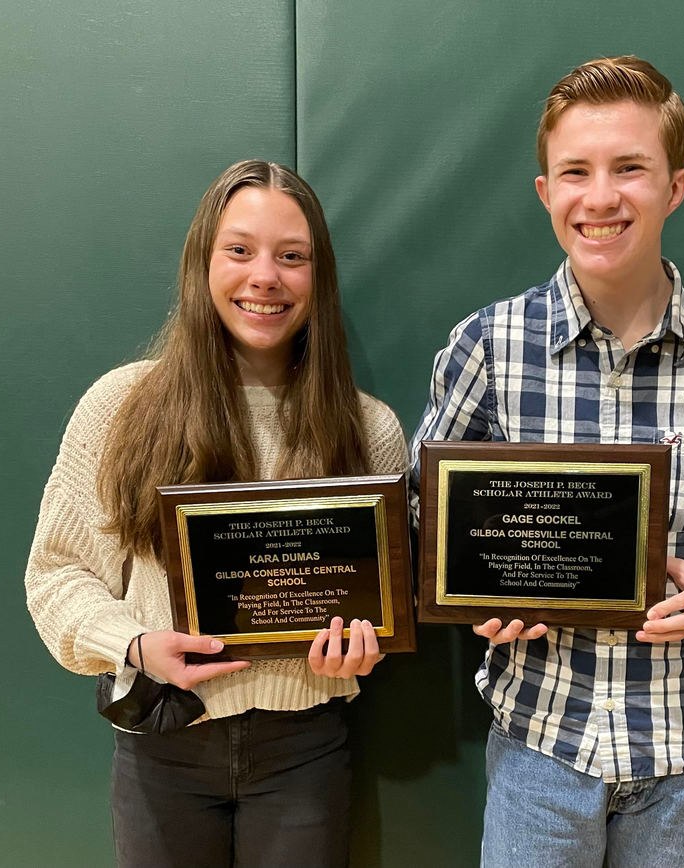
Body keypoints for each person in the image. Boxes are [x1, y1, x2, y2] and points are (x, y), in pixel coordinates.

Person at [410, 56, 684, 867]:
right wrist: (474, 593)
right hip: (541, 741)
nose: (601, 196)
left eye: (630, 169)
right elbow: (423, 514)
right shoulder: (488, 347)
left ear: (675, 187)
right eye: (575, 171)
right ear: (546, 192)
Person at [25, 160, 407, 867]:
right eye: (239, 250)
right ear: (202, 263)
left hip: (304, 750)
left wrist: (368, 645)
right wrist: (134, 644)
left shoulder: (367, 429)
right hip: (163, 744)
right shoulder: (119, 407)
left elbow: (387, 600)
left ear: (317, 278)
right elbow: (57, 574)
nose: (265, 276)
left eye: (292, 257)